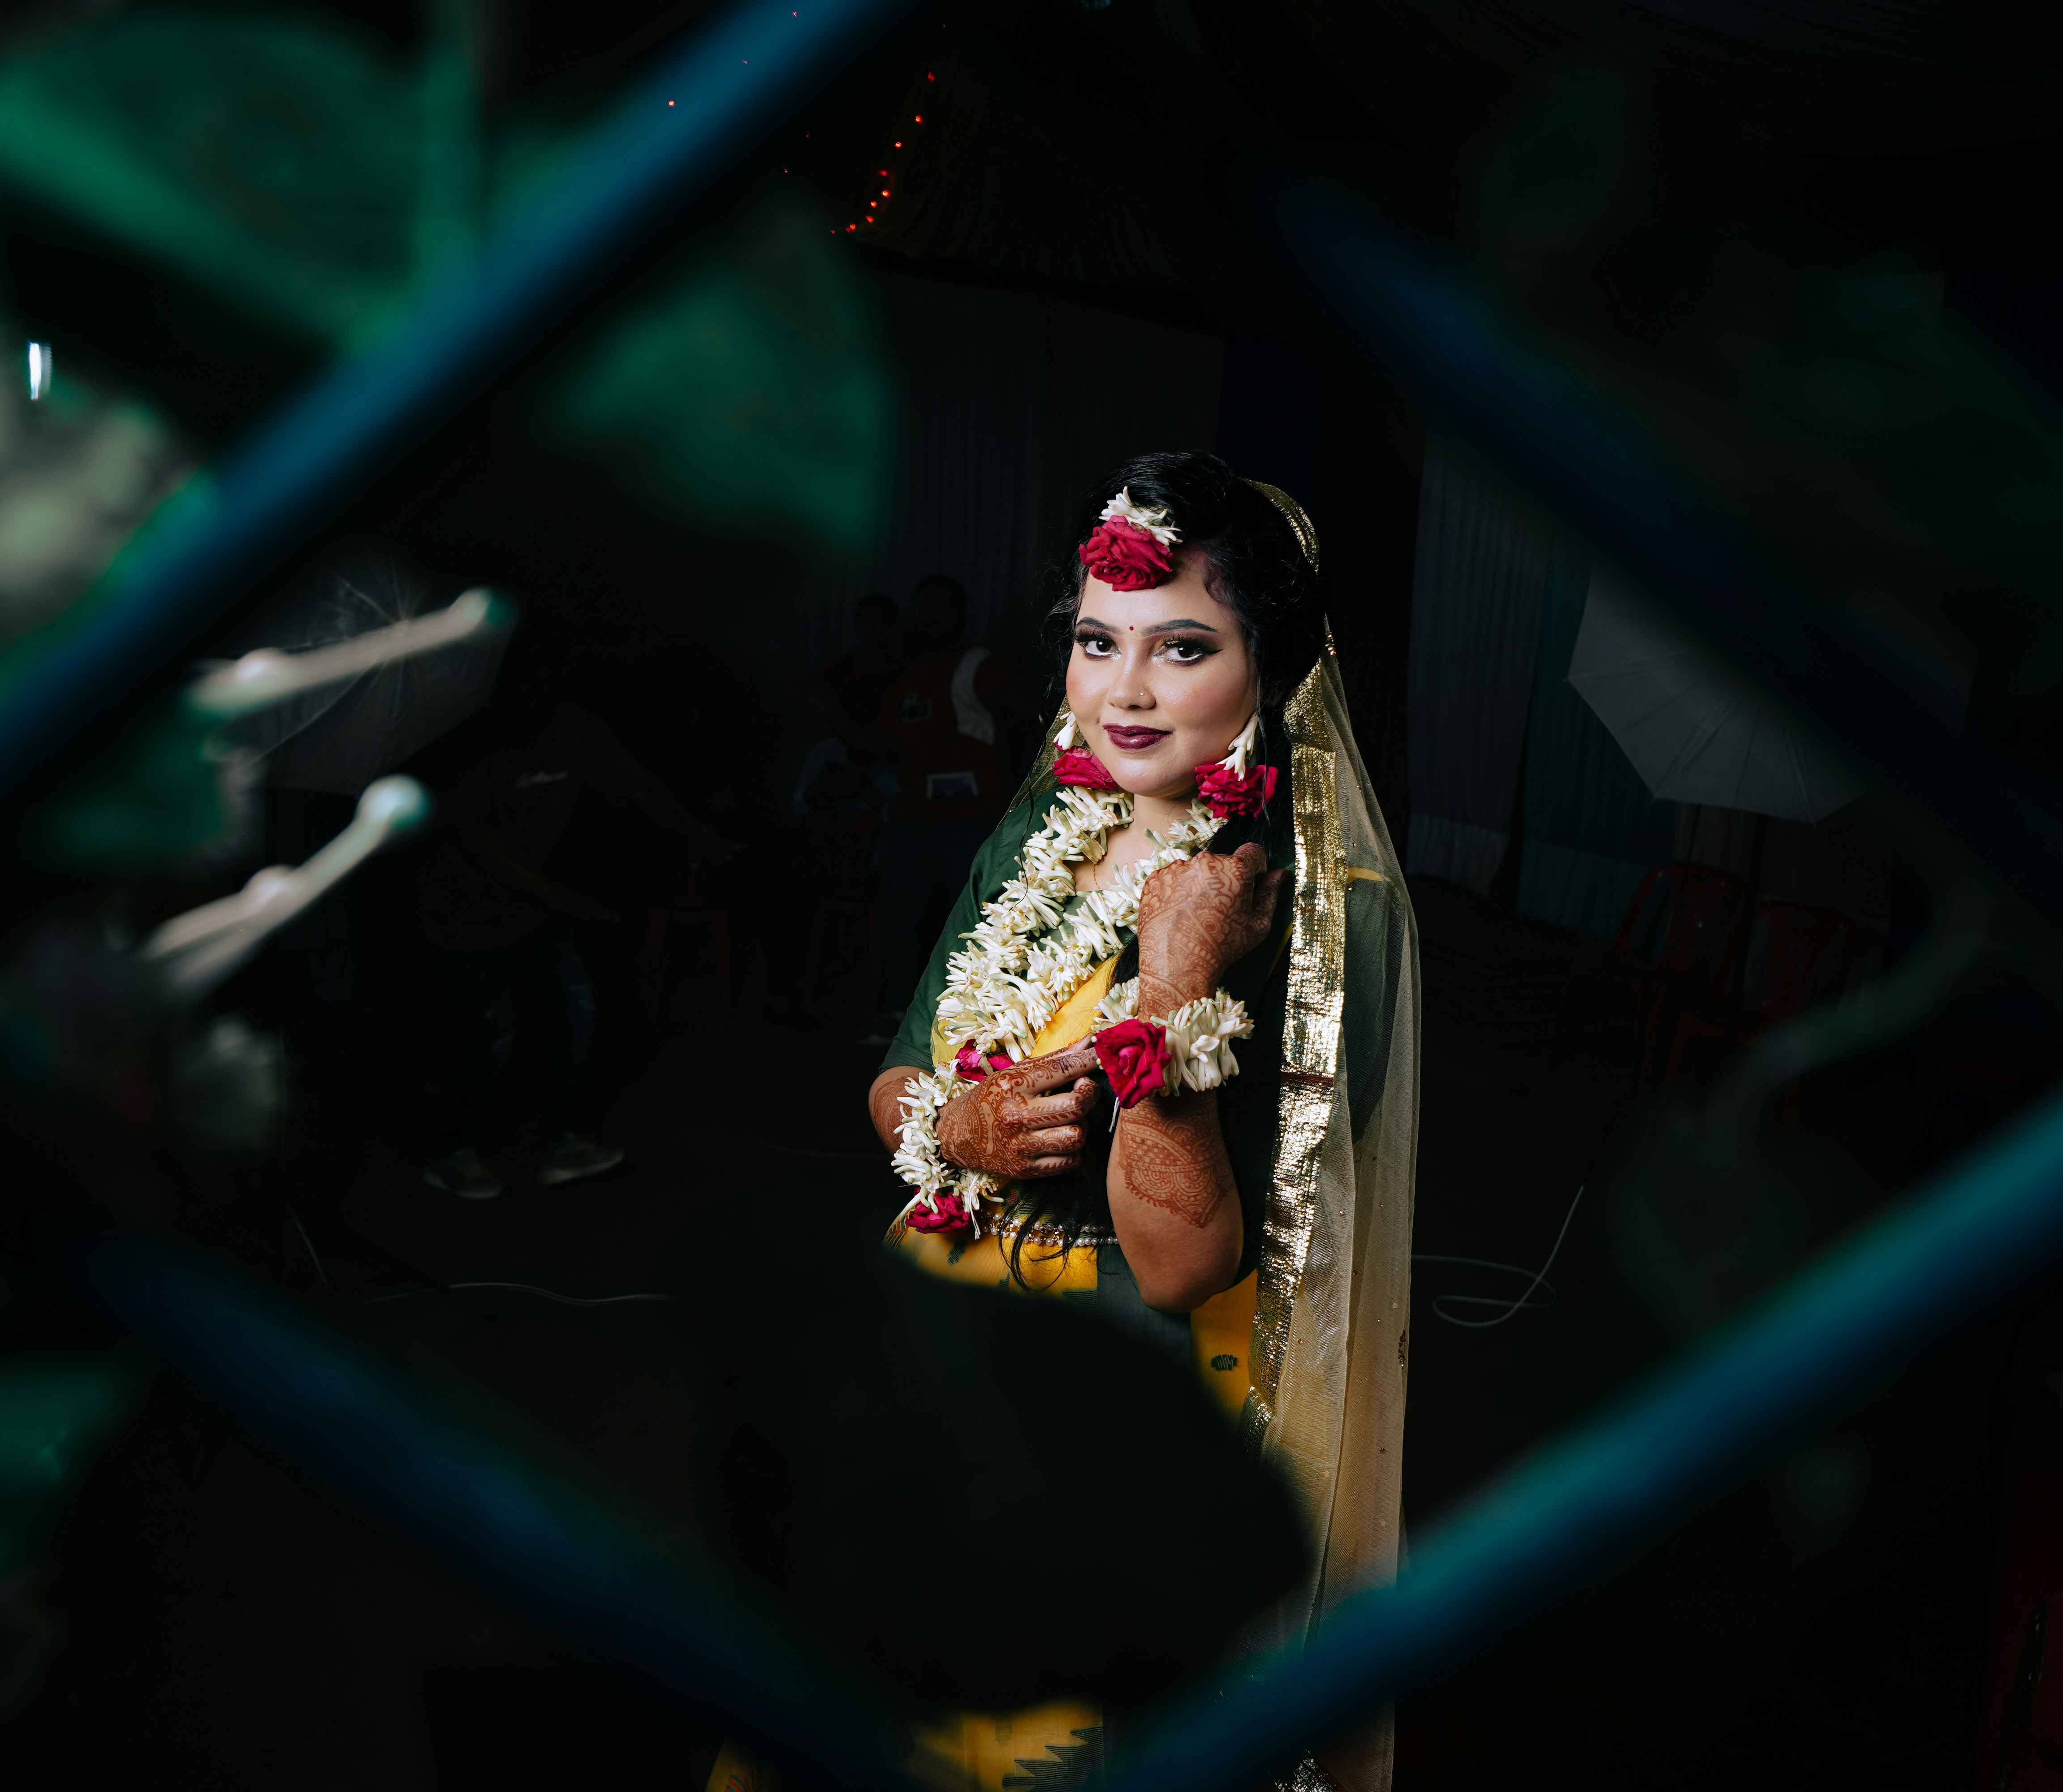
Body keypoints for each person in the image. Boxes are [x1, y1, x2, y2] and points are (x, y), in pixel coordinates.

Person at [708, 452, 1422, 1792]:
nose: (1123, 690)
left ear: (1272, 667)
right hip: (939, 1326)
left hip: (1125, 1380)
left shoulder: (1317, 907)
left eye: (1182, 646)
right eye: (1098, 641)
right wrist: (956, 1126)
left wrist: (1172, 984)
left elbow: (1183, 1264)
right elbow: (897, 1075)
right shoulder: (1045, 824)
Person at [414, 629, 727, 1200]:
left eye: (544, 666)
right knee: (491, 1035)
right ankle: (451, 1153)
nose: (532, 678)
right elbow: (477, 840)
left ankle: (561, 1143)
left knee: (575, 1010)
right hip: (463, 908)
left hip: (533, 903)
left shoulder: (574, 729)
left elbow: (637, 785)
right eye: (520, 666)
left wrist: (689, 830)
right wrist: (556, 895)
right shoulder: (473, 738)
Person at [856, 574, 1032, 1044]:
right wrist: (828, 710)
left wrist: (1015, 778)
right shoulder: (909, 677)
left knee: (981, 927)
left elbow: (1034, 714)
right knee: (899, 921)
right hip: (911, 823)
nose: (932, 615)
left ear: (960, 614)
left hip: (970, 823)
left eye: (942, 607)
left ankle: (979, 1031)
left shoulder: (979, 665)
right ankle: (900, 1017)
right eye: (924, 606)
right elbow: (877, 743)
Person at [790, 591, 901, 817]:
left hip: (880, 756)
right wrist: (818, 744)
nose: (871, 630)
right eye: (865, 623)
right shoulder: (842, 667)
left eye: (879, 624)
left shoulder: (900, 674)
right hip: (840, 753)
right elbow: (802, 694)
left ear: (891, 628)